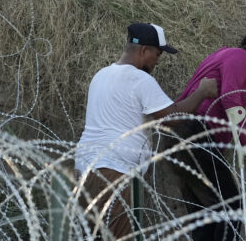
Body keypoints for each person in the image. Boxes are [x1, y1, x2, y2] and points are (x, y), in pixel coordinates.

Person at [74, 22, 218, 239]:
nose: (157, 61)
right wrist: (202, 92)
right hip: (112, 171)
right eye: (157, 54)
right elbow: (171, 117)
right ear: (144, 50)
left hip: (85, 168)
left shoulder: (101, 75)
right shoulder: (139, 79)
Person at [167, 28, 246, 241]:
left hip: (182, 136)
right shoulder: (237, 56)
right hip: (196, 136)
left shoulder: (221, 55)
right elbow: (230, 99)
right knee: (231, 206)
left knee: (205, 215)